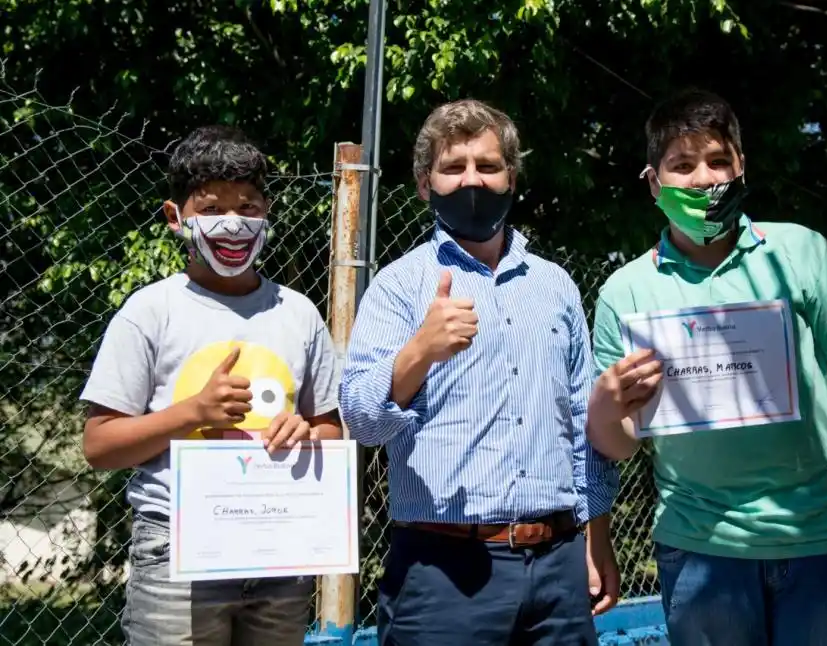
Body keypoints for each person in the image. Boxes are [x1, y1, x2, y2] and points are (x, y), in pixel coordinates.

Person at [586, 89, 827, 646]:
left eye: (717, 161)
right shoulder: (624, 292)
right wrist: (607, 405)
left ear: (741, 166)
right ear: (654, 182)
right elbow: (618, 445)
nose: (704, 178)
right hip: (701, 549)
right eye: (682, 165)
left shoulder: (802, 252)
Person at [339, 99, 620, 646]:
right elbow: (361, 421)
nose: (473, 180)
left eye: (488, 167)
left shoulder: (555, 285)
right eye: (454, 168)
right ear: (425, 185)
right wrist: (420, 350)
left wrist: (596, 533)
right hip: (445, 572)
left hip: (560, 562)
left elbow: (584, 417)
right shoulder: (400, 286)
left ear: (511, 177)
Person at [80, 125, 343, 646]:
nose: (232, 223)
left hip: (279, 547)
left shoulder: (299, 313)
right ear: (176, 218)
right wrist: (193, 412)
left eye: (248, 207)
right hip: (177, 550)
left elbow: (331, 431)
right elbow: (99, 444)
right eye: (211, 208)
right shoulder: (150, 312)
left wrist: (306, 434)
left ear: (267, 215)